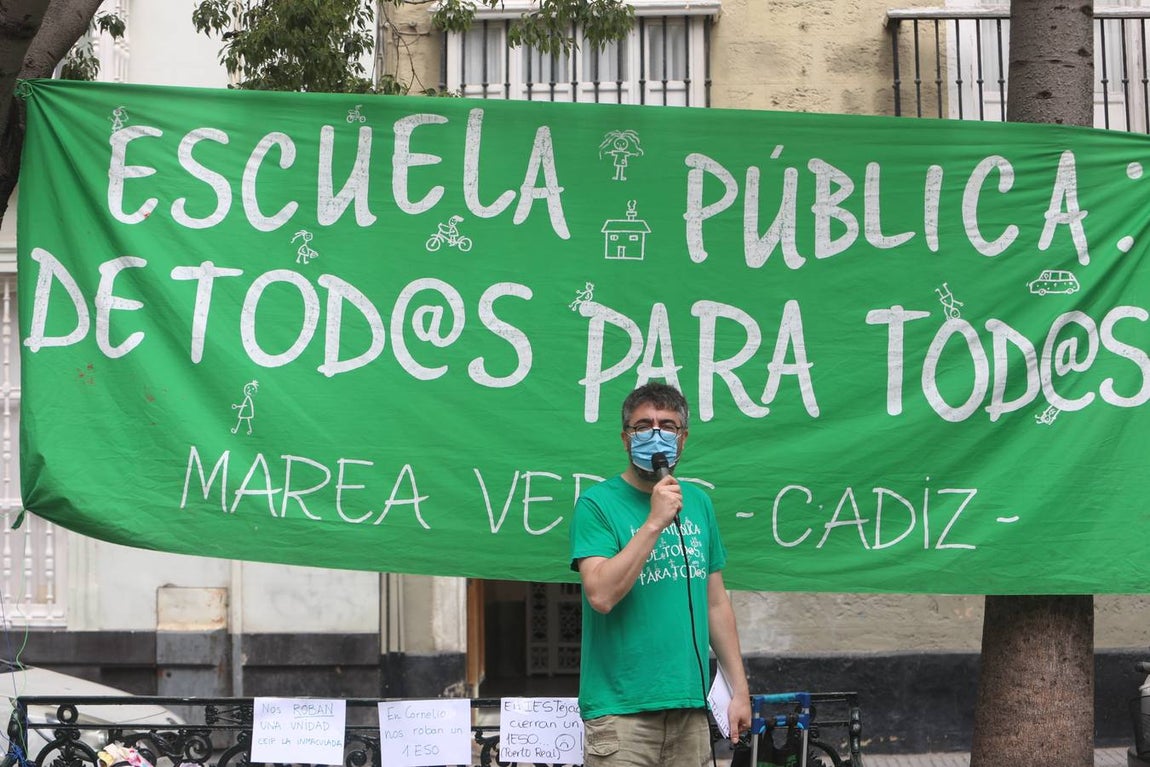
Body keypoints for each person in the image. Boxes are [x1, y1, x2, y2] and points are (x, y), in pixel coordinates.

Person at [570, 382, 752, 766]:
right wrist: (654, 522)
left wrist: (740, 690)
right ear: (625, 438)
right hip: (621, 715)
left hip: (690, 710)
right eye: (643, 425)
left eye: (667, 426)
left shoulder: (698, 503)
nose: (656, 434)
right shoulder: (596, 505)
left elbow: (715, 603)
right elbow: (600, 595)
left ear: (682, 439)